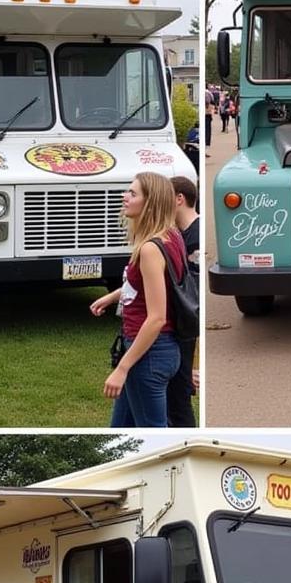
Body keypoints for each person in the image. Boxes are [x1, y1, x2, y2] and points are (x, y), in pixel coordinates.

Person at [90, 172, 185, 427]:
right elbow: (157, 287)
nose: (125, 197)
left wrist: (122, 368)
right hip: (157, 351)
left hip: (149, 354)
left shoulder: (150, 248)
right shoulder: (171, 236)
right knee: (119, 428)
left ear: (150, 202)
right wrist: (113, 296)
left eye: (133, 193)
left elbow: (156, 318)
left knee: (155, 431)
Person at [166, 175, 200, 428]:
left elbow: (194, 295)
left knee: (179, 403)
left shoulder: (196, 236)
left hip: (187, 330)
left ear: (179, 199)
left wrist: (196, 365)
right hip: (179, 327)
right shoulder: (179, 234)